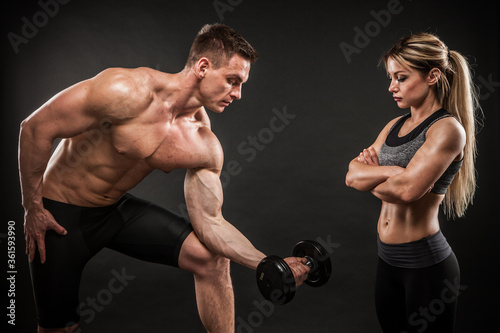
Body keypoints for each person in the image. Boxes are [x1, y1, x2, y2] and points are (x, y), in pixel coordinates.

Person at [19, 23, 311, 333]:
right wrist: (32, 207)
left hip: (113, 211)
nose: (237, 94)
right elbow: (34, 128)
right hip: (59, 214)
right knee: (59, 329)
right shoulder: (124, 90)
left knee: (211, 260)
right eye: (232, 81)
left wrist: (268, 263)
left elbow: (210, 223)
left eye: (241, 84)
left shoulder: (203, 142)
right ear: (202, 66)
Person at [345, 32, 479, 333]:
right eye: (391, 77)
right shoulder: (395, 125)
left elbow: (407, 191)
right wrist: (393, 172)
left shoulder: (447, 130)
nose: (391, 87)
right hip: (387, 261)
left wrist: (378, 174)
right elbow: (351, 175)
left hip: (426, 268)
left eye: (401, 78)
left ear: (432, 76)